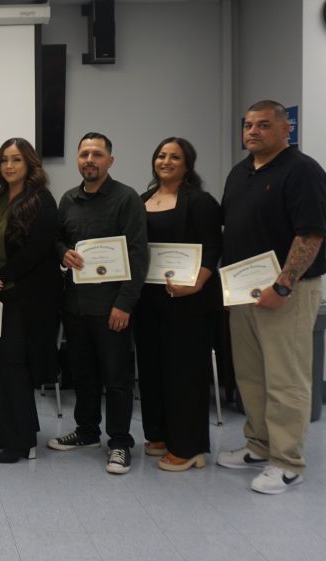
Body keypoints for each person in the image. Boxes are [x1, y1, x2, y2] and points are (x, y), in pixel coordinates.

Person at [216, 100, 326, 494]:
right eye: (248, 125)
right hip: (244, 292)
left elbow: (311, 234)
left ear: (285, 130)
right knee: (251, 375)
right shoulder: (240, 172)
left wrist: (283, 286)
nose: (253, 132)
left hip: (286, 293)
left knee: (286, 377)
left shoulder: (302, 171)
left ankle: (287, 461)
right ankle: (259, 446)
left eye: (263, 125)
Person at [49, 132, 148, 475]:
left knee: (117, 379)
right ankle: (87, 431)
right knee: (83, 373)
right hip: (75, 305)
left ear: (110, 160)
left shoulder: (126, 199)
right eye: (84, 154)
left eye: (97, 154)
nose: (89, 159)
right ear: (78, 159)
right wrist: (63, 252)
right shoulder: (68, 199)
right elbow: (56, 238)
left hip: (112, 308)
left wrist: (125, 304)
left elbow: (138, 254)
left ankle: (119, 442)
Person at [0, 138, 62, 464]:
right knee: (2, 367)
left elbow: (37, 250)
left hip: (27, 297)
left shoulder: (42, 201)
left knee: (16, 367)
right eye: (4, 160)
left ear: (29, 165)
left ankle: (21, 443)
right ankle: (12, 432)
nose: (9, 166)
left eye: (16, 160)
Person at [134, 137, 222, 472]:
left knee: (183, 373)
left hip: (187, 301)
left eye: (174, 157)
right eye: (160, 156)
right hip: (148, 299)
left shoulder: (200, 202)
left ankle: (189, 447)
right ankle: (159, 435)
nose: (166, 161)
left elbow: (213, 248)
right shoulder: (142, 200)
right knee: (153, 369)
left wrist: (195, 283)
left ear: (187, 164)